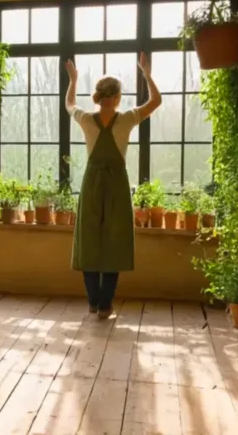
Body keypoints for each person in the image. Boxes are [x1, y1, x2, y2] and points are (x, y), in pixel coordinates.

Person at [65, 52, 162, 319]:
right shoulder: (127, 118)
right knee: (115, 242)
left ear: (98, 95)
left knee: (89, 241)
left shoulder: (86, 118)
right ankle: (106, 306)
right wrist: (146, 73)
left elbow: (69, 103)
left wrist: (73, 79)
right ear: (117, 96)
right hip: (117, 185)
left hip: (92, 184)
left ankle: (94, 301)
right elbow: (156, 101)